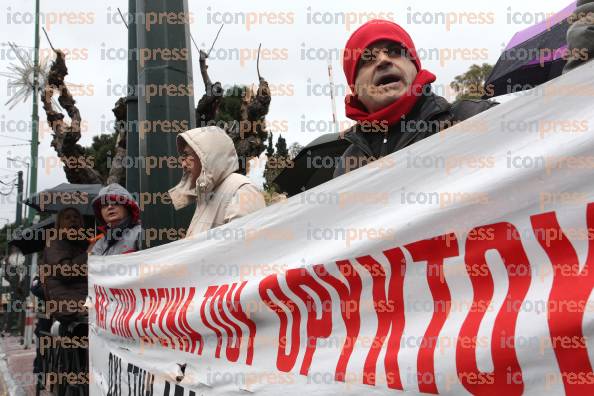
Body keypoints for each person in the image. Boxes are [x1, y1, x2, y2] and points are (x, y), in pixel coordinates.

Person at [333, 19, 498, 178]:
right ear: (355, 88)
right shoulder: (347, 166)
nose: (383, 60)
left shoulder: (475, 118)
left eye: (395, 52)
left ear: (415, 67)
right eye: (368, 58)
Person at [169, 126, 266, 238]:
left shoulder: (241, 190)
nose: (183, 164)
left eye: (186, 155)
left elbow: (247, 251)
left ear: (206, 155)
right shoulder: (206, 196)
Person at [41, 207, 88, 325]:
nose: (73, 220)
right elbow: (65, 272)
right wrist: (88, 253)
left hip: (82, 302)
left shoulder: (82, 244)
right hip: (68, 306)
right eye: (67, 218)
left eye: (76, 217)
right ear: (60, 224)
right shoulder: (55, 243)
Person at [90, 183, 142, 255]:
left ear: (128, 207)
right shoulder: (100, 244)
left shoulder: (141, 233)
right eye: (104, 205)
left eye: (115, 202)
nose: (110, 207)